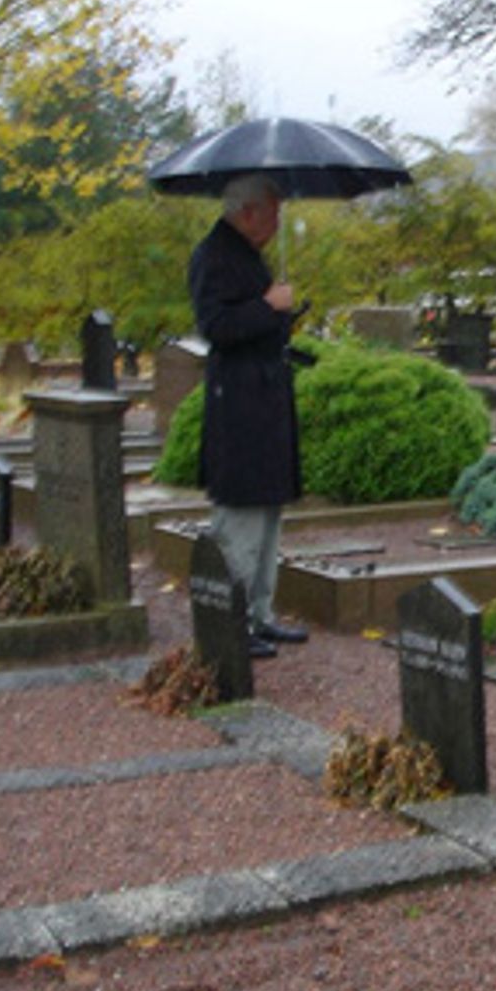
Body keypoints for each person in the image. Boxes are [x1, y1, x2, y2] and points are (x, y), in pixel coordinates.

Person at [188, 172, 309, 659]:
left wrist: (281, 315)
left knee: (268, 512)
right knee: (241, 515)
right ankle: (232, 621)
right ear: (248, 211)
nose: (278, 224)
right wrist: (267, 306)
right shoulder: (214, 256)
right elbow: (216, 326)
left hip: (264, 398)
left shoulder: (245, 254)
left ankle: (259, 613)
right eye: (273, 213)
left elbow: (254, 326)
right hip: (239, 404)